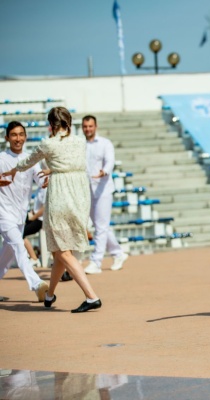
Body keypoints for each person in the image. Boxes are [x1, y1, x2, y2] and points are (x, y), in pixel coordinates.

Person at [1, 107, 102, 313]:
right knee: (58, 250)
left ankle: (91, 296)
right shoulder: (80, 141)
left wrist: (14, 170)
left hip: (60, 194)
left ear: (51, 124)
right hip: (80, 194)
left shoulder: (48, 143)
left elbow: (27, 162)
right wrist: (52, 169)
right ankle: (49, 295)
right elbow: (67, 163)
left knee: (62, 250)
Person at [0, 121, 49, 302]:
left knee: (7, 256)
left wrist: (46, 181)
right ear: (7, 138)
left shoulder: (30, 159)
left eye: (21, 134)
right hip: (3, 213)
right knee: (19, 247)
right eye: (14, 135)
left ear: (26, 137)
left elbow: (40, 179)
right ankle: (37, 284)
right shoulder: (1, 159)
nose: (18, 138)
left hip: (21, 215)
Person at [81, 115, 128, 274]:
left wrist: (104, 171)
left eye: (90, 126)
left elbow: (110, 161)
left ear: (96, 126)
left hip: (103, 189)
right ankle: (118, 253)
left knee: (100, 227)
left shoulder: (105, 143)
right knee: (101, 226)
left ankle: (96, 262)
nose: (88, 129)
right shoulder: (81, 145)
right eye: (85, 126)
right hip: (87, 190)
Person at [23, 185, 46, 268]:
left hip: (40, 220)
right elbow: (37, 208)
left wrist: (32, 218)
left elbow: (44, 208)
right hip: (35, 217)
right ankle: (32, 257)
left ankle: (34, 258)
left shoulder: (45, 189)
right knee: (17, 232)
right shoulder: (39, 188)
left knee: (20, 234)